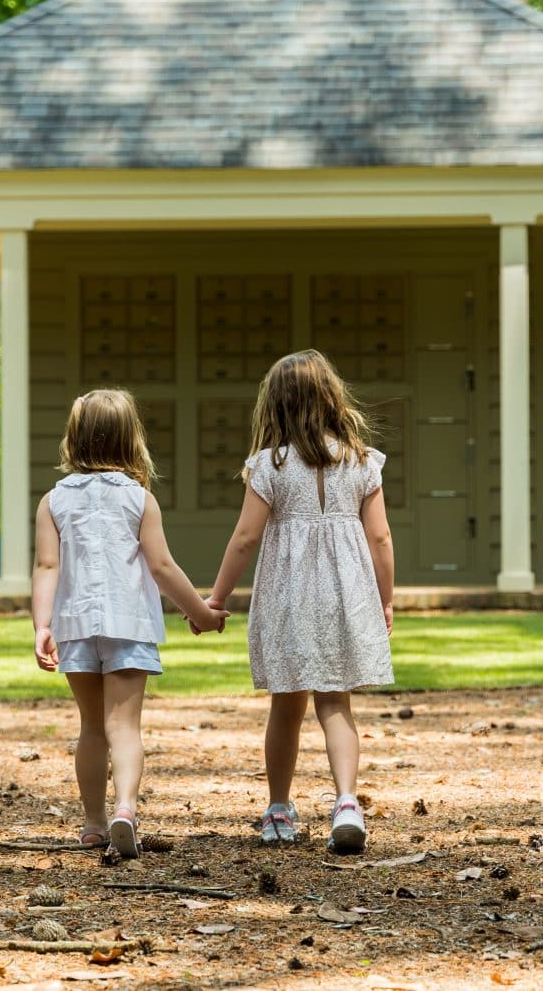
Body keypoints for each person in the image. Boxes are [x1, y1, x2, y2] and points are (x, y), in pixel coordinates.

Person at [207, 350, 395, 853]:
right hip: (344, 595)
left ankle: (277, 808)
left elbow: (245, 537)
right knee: (336, 702)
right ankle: (347, 803)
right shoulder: (359, 461)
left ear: (277, 406)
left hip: (288, 598)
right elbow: (380, 539)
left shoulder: (270, 465)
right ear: (331, 398)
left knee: (286, 706)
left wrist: (216, 597)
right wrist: (385, 599)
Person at [31, 389, 226, 858]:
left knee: (91, 728)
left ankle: (94, 823)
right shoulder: (140, 500)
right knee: (124, 728)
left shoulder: (54, 501)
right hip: (128, 624)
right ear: (130, 440)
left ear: (73, 440)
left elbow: (46, 567)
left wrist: (42, 625)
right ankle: (125, 809)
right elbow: (161, 567)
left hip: (75, 626)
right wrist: (200, 613)